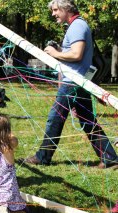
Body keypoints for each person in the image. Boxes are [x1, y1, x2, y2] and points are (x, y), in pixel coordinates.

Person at [24, 0, 118, 169]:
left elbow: (76, 54)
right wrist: (59, 50)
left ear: (65, 8)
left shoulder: (77, 26)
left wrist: (55, 52)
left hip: (73, 81)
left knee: (55, 118)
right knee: (88, 121)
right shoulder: (76, 26)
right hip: (78, 81)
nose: (53, 14)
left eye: (55, 10)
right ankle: (110, 157)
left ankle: (43, 156)